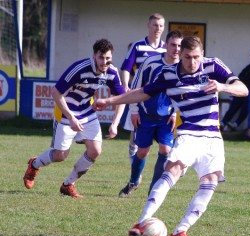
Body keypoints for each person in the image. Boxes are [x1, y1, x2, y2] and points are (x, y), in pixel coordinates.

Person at [93, 36, 248, 236]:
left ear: (202, 54)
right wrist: (109, 101)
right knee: (174, 169)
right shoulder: (168, 74)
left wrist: (223, 87)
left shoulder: (213, 65)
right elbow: (142, 93)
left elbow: (243, 89)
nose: (192, 62)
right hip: (189, 133)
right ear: (179, 55)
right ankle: (141, 222)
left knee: (210, 182)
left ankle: (180, 232)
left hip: (213, 136)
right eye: (187, 57)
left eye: (196, 57)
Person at [22, 39, 126, 198]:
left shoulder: (111, 72)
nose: (104, 62)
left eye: (108, 58)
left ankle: (68, 184)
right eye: (101, 57)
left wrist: (115, 123)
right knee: (60, 156)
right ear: (94, 56)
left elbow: (121, 98)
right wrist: (71, 118)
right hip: (65, 113)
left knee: (95, 150)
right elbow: (56, 93)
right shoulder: (79, 69)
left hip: (87, 112)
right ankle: (34, 165)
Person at [118, 31, 183, 197]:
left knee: (166, 149)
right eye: (173, 45)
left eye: (179, 46)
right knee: (142, 152)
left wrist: (175, 111)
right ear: (166, 45)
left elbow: (181, 92)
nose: (176, 49)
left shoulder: (182, 68)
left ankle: (153, 190)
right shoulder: (150, 62)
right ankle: (133, 181)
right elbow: (136, 86)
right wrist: (134, 110)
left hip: (166, 117)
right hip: (145, 114)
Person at [120, 13, 166, 167]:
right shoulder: (138, 46)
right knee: (136, 128)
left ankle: (164, 163)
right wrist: (126, 85)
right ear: (148, 26)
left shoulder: (167, 48)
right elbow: (126, 67)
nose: (157, 28)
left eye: (160, 25)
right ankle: (134, 160)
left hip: (160, 98)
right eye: (154, 25)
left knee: (163, 134)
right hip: (140, 94)